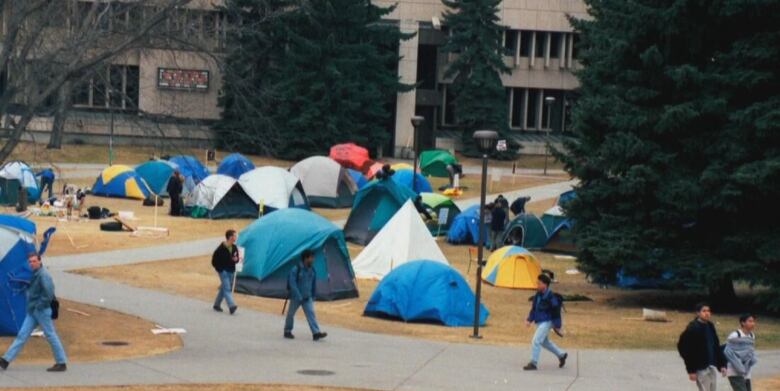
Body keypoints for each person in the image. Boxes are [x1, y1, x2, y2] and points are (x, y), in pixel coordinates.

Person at [0, 252, 67, 372]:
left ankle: (61, 362)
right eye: (30, 261)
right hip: (33, 311)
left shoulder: (43, 275)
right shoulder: (36, 273)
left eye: (34, 261)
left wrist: (39, 306)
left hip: (40, 311)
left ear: (40, 261)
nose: (32, 263)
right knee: (22, 335)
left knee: (51, 335)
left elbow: (49, 294)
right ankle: (5, 360)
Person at [677, 303, 727, 391]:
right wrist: (691, 370)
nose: (707, 313)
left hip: (710, 366)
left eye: (708, 311)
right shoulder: (693, 328)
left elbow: (716, 346)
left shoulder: (710, 326)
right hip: (700, 368)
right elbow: (685, 350)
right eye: (704, 311)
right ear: (698, 313)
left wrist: (722, 364)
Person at [524, 273, 567, 371]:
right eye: (537, 283)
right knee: (544, 342)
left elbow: (556, 311)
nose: (537, 285)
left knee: (536, 340)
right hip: (539, 321)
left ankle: (533, 363)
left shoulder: (551, 297)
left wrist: (557, 325)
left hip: (547, 321)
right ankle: (561, 355)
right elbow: (534, 308)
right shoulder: (537, 295)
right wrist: (529, 319)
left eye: (539, 283)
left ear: (545, 285)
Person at [284, 249, 327, 341]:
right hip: (296, 298)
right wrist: (298, 295)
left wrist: (313, 295)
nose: (313, 259)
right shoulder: (296, 269)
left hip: (307, 297)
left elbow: (313, 283)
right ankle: (287, 330)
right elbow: (292, 284)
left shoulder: (312, 270)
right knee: (290, 314)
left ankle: (316, 333)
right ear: (305, 258)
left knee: (311, 314)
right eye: (311, 257)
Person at [724, 314, 757, 391]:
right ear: (743, 323)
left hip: (746, 371)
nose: (753, 323)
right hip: (734, 371)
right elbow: (728, 352)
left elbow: (750, 351)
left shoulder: (752, 335)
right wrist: (739, 365)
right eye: (750, 321)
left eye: (753, 321)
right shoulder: (735, 335)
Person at [212, 230, 239, 314]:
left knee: (223, 288)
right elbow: (214, 261)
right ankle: (231, 306)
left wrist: (236, 259)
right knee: (227, 288)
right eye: (234, 236)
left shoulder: (234, 247)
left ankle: (216, 304)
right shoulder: (221, 248)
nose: (236, 237)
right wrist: (219, 269)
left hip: (231, 271)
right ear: (230, 237)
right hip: (223, 271)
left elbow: (237, 258)